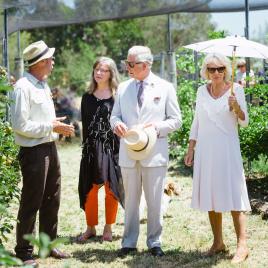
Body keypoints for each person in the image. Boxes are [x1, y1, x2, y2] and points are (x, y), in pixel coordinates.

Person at [110, 46, 182, 257]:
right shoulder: (123, 88)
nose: (127, 67)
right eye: (127, 63)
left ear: (146, 64)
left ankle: (154, 242)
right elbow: (115, 116)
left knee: (155, 201)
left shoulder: (165, 87)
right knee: (130, 201)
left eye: (131, 64)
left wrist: (157, 129)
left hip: (154, 153)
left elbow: (176, 120)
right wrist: (117, 125)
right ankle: (129, 242)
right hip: (129, 152)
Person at [10, 40, 74, 267]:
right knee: (31, 201)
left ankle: (48, 245)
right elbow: (19, 124)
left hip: (49, 147)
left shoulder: (42, 85)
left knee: (52, 197)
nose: (53, 62)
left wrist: (54, 125)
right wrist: (51, 126)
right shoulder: (22, 88)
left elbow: (41, 120)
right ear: (41, 62)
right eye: (50, 59)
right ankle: (24, 252)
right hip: (33, 151)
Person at [184, 53, 251, 264]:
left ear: (226, 70)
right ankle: (218, 242)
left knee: (234, 195)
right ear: (206, 71)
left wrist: (237, 107)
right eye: (212, 69)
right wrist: (191, 147)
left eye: (220, 69)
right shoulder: (201, 91)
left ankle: (242, 246)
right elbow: (196, 121)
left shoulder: (236, 90)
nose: (216, 73)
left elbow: (245, 122)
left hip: (227, 149)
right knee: (211, 194)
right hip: (206, 151)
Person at [78, 57, 124, 242]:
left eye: (103, 70)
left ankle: (108, 227)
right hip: (91, 149)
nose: (98, 73)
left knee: (110, 188)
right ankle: (90, 228)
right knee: (90, 188)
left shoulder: (117, 96)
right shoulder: (86, 97)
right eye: (96, 69)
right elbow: (85, 125)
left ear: (111, 73)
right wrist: (86, 149)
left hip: (112, 148)